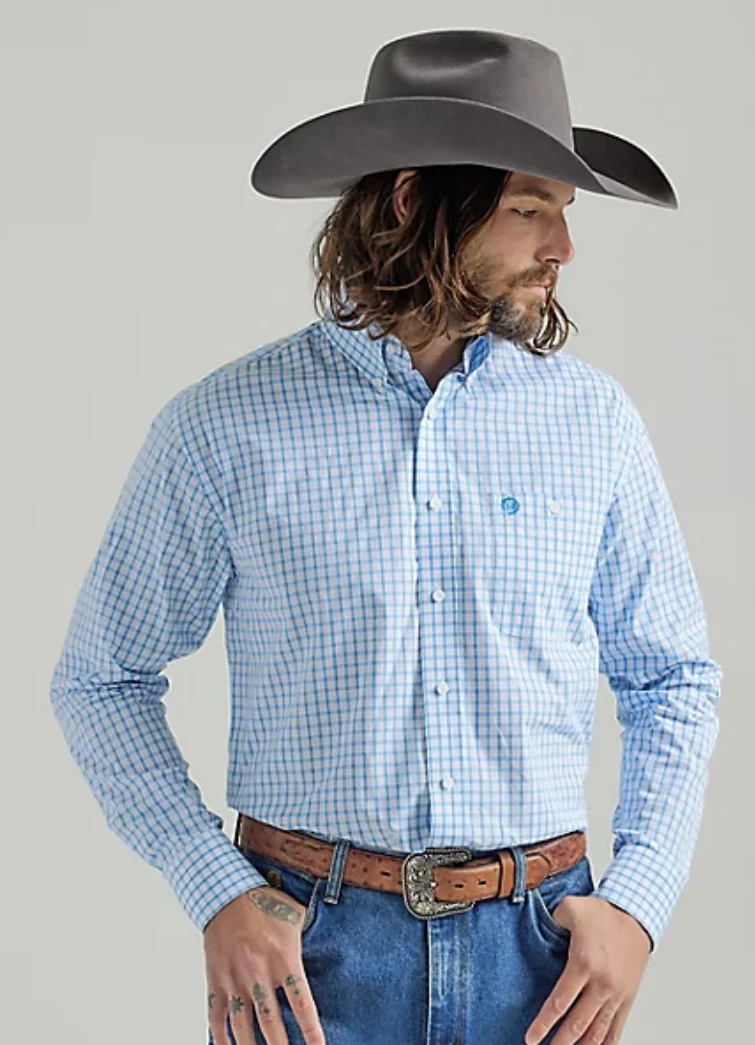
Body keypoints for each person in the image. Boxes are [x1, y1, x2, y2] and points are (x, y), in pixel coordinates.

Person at [50, 28, 723, 1045]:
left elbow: (672, 676)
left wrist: (637, 902)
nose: (561, 248)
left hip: (541, 960)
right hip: (307, 962)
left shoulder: (595, 424)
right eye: (528, 208)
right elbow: (100, 678)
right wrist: (213, 886)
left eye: (562, 210)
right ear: (413, 201)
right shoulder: (225, 425)